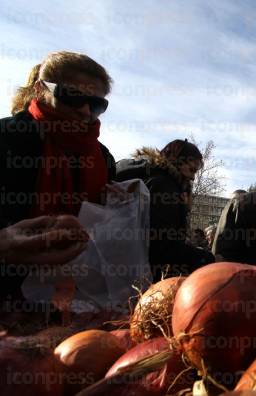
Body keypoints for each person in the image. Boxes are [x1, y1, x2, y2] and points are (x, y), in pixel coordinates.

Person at [0, 51, 116, 301]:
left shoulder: (104, 159)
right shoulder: (7, 138)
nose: (85, 111)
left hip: (80, 298)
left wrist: (115, 205)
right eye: (72, 96)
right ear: (42, 89)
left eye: (97, 105)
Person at [115, 140, 214, 278]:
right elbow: (163, 247)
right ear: (177, 161)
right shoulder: (165, 187)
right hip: (145, 279)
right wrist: (207, 259)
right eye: (191, 170)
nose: (192, 177)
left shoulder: (144, 175)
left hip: (113, 268)